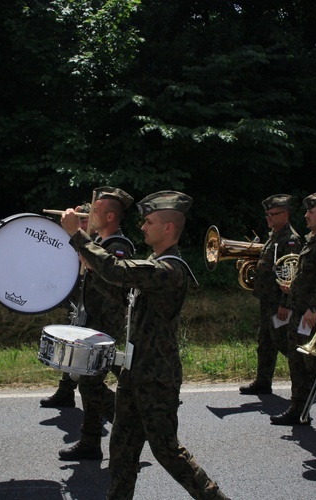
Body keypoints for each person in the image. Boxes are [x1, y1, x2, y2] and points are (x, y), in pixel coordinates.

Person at [60, 191, 229, 500]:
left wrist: (78, 236)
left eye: (149, 222)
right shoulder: (155, 264)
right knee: (122, 449)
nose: (142, 227)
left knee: (167, 451)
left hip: (156, 378)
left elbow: (119, 271)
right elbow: (123, 295)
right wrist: (92, 268)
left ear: (167, 228)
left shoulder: (170, 271)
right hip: (134, 373)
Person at [59, 187, 135, 461]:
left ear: (111, 216)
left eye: (96, 211)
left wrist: (92, 264)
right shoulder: (100, 243)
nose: (89, 215)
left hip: (108, 325)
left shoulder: (119, 246)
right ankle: (91, 441)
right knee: (95, 381)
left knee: (90, 384)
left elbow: (118, 289)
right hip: (94, 323)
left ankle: (132, 425)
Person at [271, 191, 316, 426]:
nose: (306, 216)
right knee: (296, 361)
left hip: (312, 316)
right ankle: (298, 409)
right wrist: (291, 287)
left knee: (314, 363)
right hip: (299, 312)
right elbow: (309, 278)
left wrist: (313, 308)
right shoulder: (313, 240)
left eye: (311, 212)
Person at [240, 194, 302, 395]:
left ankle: (310, 379)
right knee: (265, 342)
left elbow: (291, 277)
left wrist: (286, 304)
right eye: (267, 214)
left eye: (272, 214)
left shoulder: (291, 240)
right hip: (268, 300)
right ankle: (263, 381)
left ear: (284, 214)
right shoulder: (273, 236)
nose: (268, 218)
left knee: (285, 343)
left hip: (279, 303)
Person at [40, 203, 92, 408]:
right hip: (82, 299)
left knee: (100, 355)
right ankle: (65, 391)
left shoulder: (104, 241)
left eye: (85, 220)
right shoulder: (81, 239)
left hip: (102, 305)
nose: (81, 224)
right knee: (73, 342)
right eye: (79, 220)